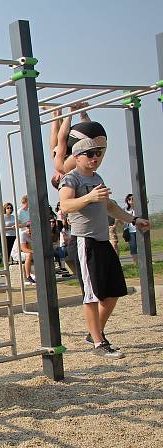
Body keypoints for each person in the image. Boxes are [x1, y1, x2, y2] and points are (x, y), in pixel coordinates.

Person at [58, 138, 150, 359]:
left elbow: (108, 205)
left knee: (115, 291)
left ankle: (94, 332)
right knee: (91, 295)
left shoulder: (97, 178)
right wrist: (89, 197)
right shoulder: (71, 178)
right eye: (89, 154)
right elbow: (65, 205)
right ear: (77, 157)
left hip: (102, 241)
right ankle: (99, 343)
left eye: (97, 153)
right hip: (85, 241)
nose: (95, 158)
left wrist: (133, 219)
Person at [48, 103, 107, 187]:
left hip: (100, 132)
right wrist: (70, 113)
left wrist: (83, 113)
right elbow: (62, 137)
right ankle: (56, 113)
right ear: (58, 178)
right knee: (57, 151)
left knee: (90, 149)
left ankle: (60, 113)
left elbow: (92, 144)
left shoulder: (90, 170)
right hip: (83, 132)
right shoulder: (62, 168)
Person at [124, 194, 138, 265]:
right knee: (133, 246)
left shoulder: (139, 208)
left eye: (133, 199)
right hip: (130, 231)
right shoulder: (126, 210)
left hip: (139, 230)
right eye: (129, 199)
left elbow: (146, 201)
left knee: (142, 246)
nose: (131, 200)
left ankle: (146, 260)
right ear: (127, 201)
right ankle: (135, 262)